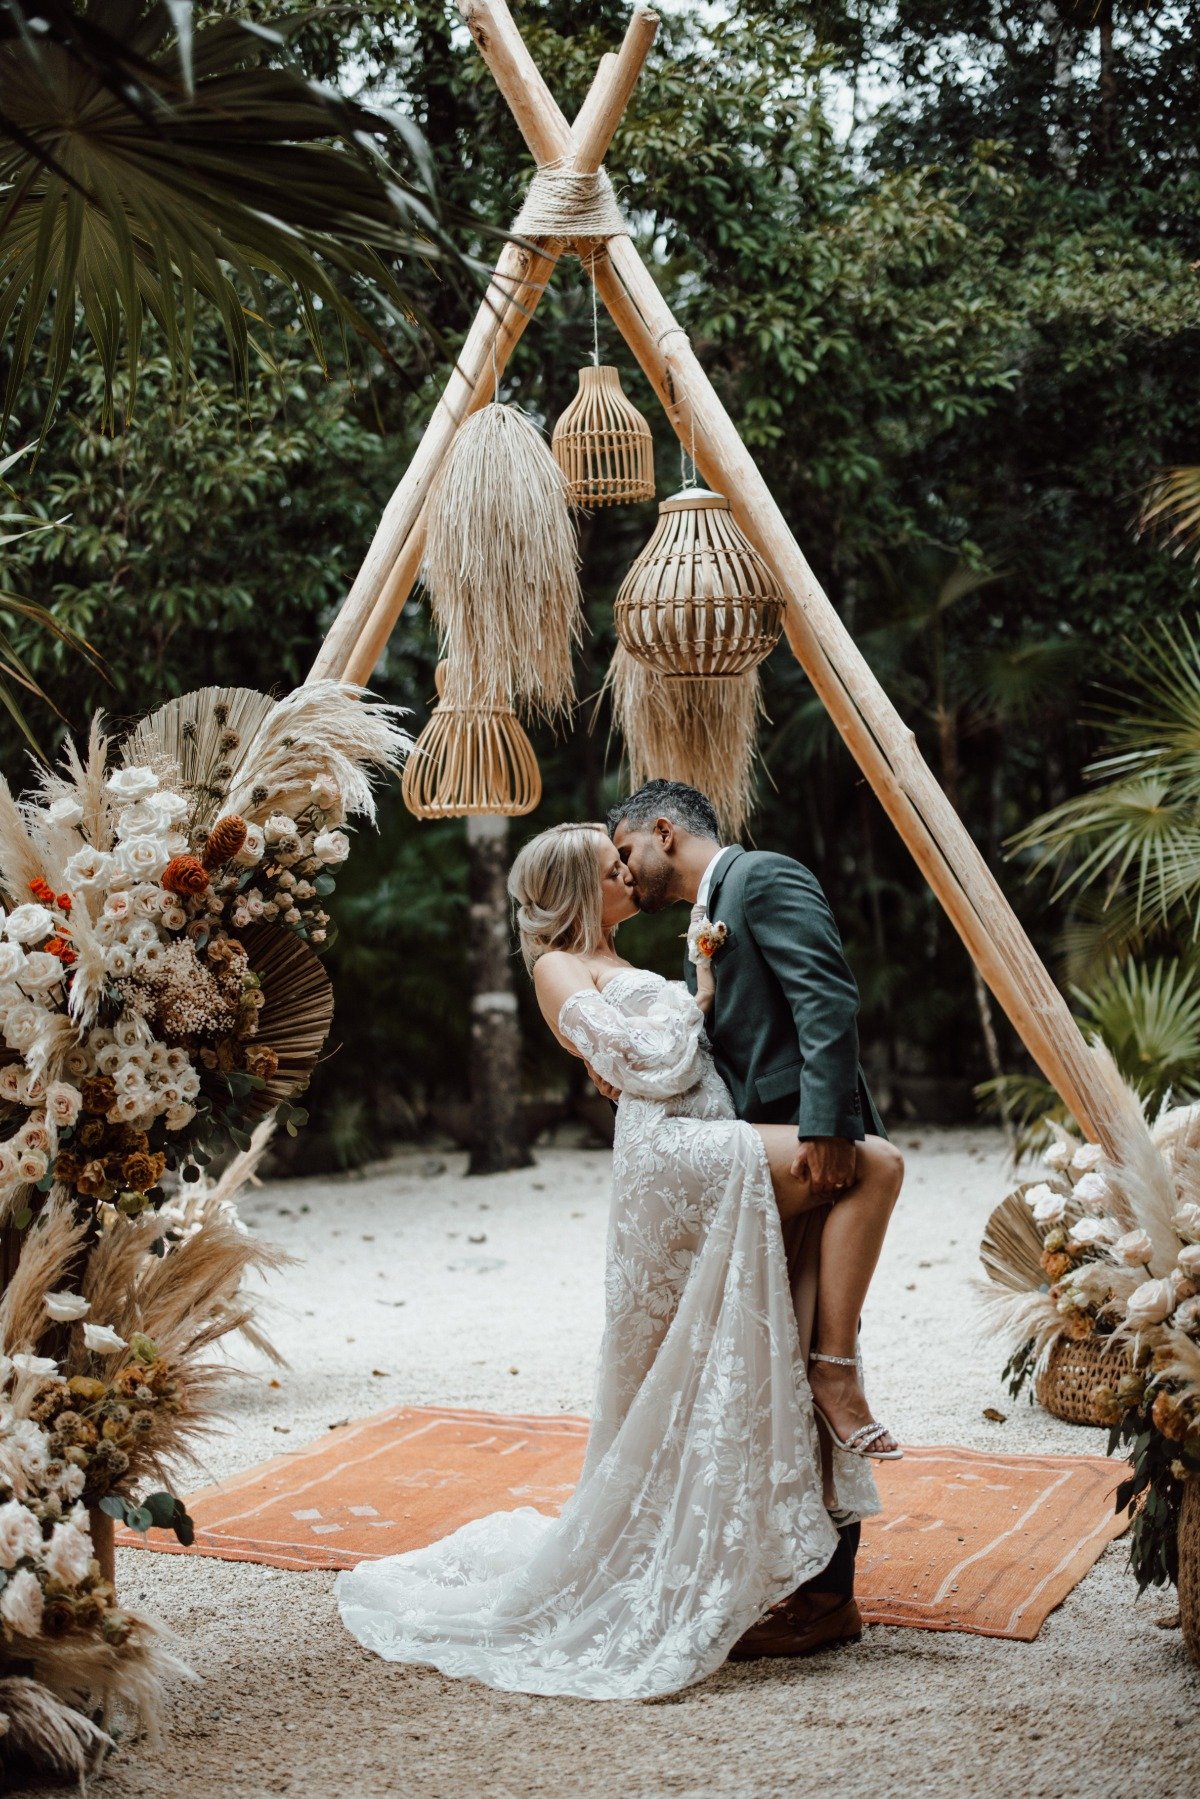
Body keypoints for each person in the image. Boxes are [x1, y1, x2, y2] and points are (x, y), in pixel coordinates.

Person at [336, 814, 902, 1697]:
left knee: (723, 1347)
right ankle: (830, 1376)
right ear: (575, 887)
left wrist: (689, 1006)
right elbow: (655, 1061)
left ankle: (789, 1557)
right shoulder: (558, 963)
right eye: (610, 868)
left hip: (698, 1138)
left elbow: (659, 1056)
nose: (627, 877)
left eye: (622, 859)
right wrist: (696, 1004)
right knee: (872, 1163)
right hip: (673, 1156)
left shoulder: (625, 955)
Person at [607, 780, 903, 1651]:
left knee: (812, 1353)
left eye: (627, 851)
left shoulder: (763, 877)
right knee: (787, 1353)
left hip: (813, 1154)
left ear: (665, 830)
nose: (625, 871)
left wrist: (827, 1126)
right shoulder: (710, 911)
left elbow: (826, 997)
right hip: (762, 1155)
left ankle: (823, 1599)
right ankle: (812, 1590)